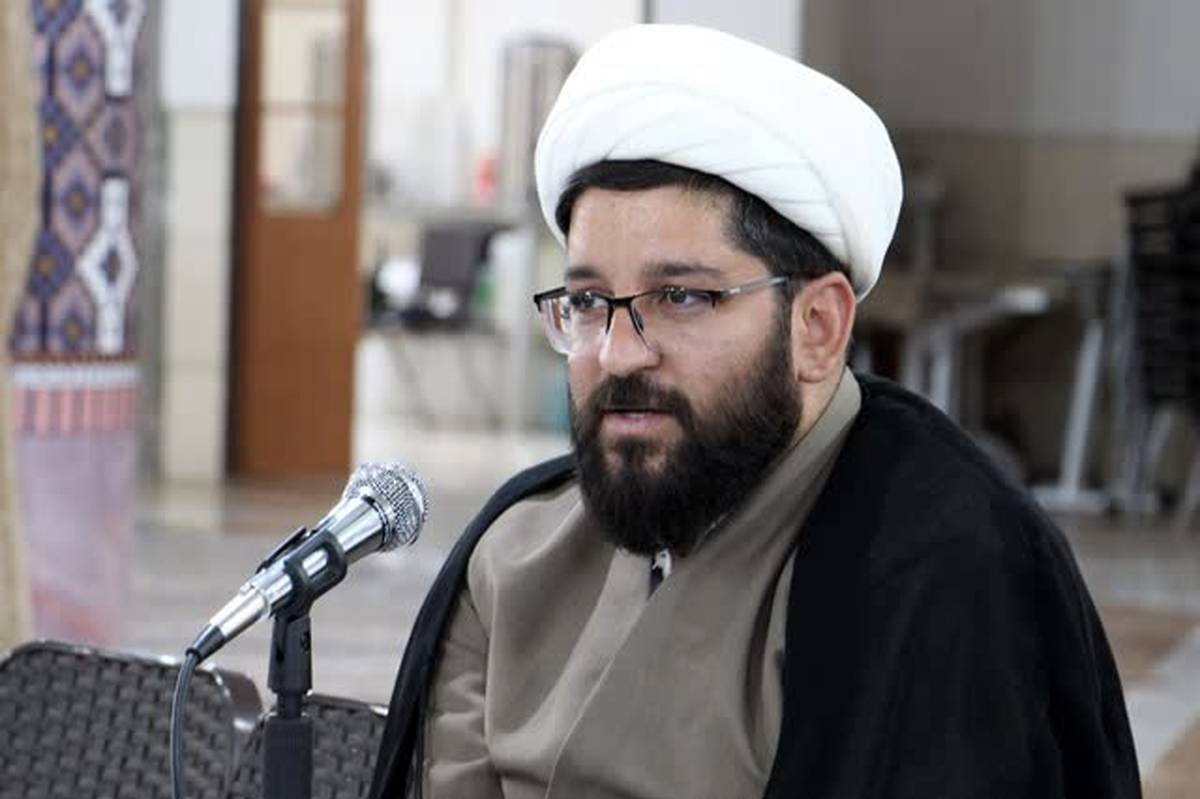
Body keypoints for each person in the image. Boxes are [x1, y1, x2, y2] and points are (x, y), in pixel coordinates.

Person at [370, 24, 1139, 799]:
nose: (618, 353)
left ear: (818, 328)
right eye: (589, 300)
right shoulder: (515, 556)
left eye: (682, 297)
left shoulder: (942, 569)